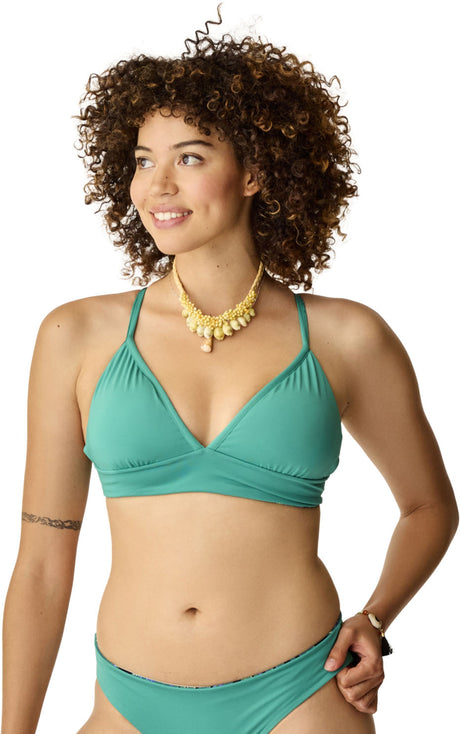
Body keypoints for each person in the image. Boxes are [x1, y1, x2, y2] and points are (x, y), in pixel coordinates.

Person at [2, 9, 457, 734]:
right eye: (142, 160)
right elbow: (41, 566)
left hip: (298, 696)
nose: (157, 185)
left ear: (254, 172)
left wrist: (376, 617)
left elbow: (430, 507)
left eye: (189, 158)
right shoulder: (76, 336)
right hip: (128, 703)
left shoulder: (347, 338)